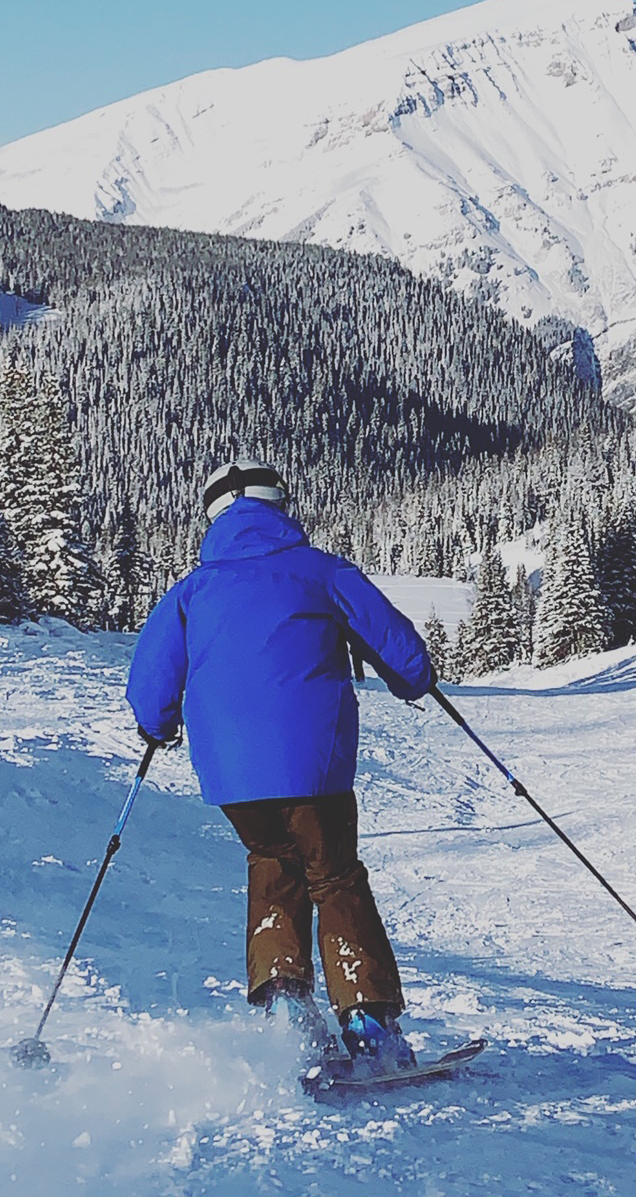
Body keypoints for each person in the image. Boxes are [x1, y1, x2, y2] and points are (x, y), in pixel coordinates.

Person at [126, 458, 433, 1069]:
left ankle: (287, 1009)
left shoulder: (191, 591)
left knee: (271, 861)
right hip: (313, 765)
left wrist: (158, 728)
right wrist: (411, 681)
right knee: (334, 876)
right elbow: (405, 656)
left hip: (231, 779)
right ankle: (368, 1021)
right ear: (280, 507)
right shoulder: (320, 572)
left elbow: (149, 686)